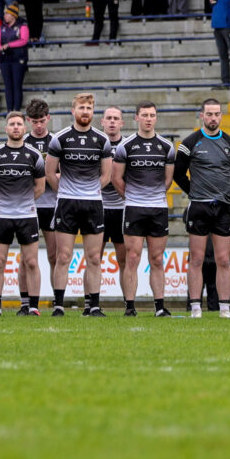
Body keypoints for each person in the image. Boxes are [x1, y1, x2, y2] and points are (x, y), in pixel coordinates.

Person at [174, 97, 230, 318]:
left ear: (221, 116)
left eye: (217, 114)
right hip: (198, 208)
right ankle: (196, 307)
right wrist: (195, 193)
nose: (213, 118)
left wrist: (224, 194)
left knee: (223, 259)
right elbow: (178, 174)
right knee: (196, 259)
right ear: (202, 116)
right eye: (209, 114)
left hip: (223, 208)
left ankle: (225, 308)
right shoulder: (190, 142)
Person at [44, 92, 114, 316]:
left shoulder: (102, 140)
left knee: (94, 257)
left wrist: (90, 191)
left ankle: (92, 305)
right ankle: (58, 305)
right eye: (81, 108)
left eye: (89, 109)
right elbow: (50, 173)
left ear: (94, 112)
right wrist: (66, 191)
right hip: (67, 203)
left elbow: (106, 176)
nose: (85, 112)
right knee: (63, 256)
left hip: (93, 204)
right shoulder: (60, 139)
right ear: (72, 111)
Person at [111, 101, 175, 317]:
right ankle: (130, 306)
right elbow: (116, 178)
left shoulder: (166, 146)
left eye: (152, 115)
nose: (149, 119)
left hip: (158, 209)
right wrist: (133, 197)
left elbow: (167, 181)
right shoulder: (125, 146)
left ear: (156, 118)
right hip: (134, 209)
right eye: (145, 115)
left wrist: (152, 196)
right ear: (136, 118)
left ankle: (159, 307)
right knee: (132, 257)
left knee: (157, 259)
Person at [0, 111, 46, 315]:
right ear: (6, 128)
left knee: (31, 262)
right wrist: (3, 202)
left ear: (24, 128)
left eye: (19, 124)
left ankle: (33, 306)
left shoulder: (34, 155)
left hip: (27, 216)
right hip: (2, 216)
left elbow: (40, 187)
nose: (16, 127)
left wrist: (23, 203)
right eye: (12, 124)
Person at [21, 97, 57, 310]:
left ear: (48, 118)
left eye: (42, 120)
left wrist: (49, 177)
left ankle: (57, 300)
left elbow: (62, 174)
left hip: (52, 204)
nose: (39, 125)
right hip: (29, 205)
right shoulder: (22, 142)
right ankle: (25, 302)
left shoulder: (56, 142)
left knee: (54, 255)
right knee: (26, 258)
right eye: (34, 121)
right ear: (28, 121)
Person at [97, 106, 128, 313]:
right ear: (102, 121)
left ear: (122, 123)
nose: (112, 122)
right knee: (93, 258)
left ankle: (129, 303)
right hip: (97, 207)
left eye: (116, 118)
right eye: (108, 118)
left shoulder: (129, 145)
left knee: (124, 259)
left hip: (122, 208)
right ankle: (92, 303)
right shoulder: (94, 143)